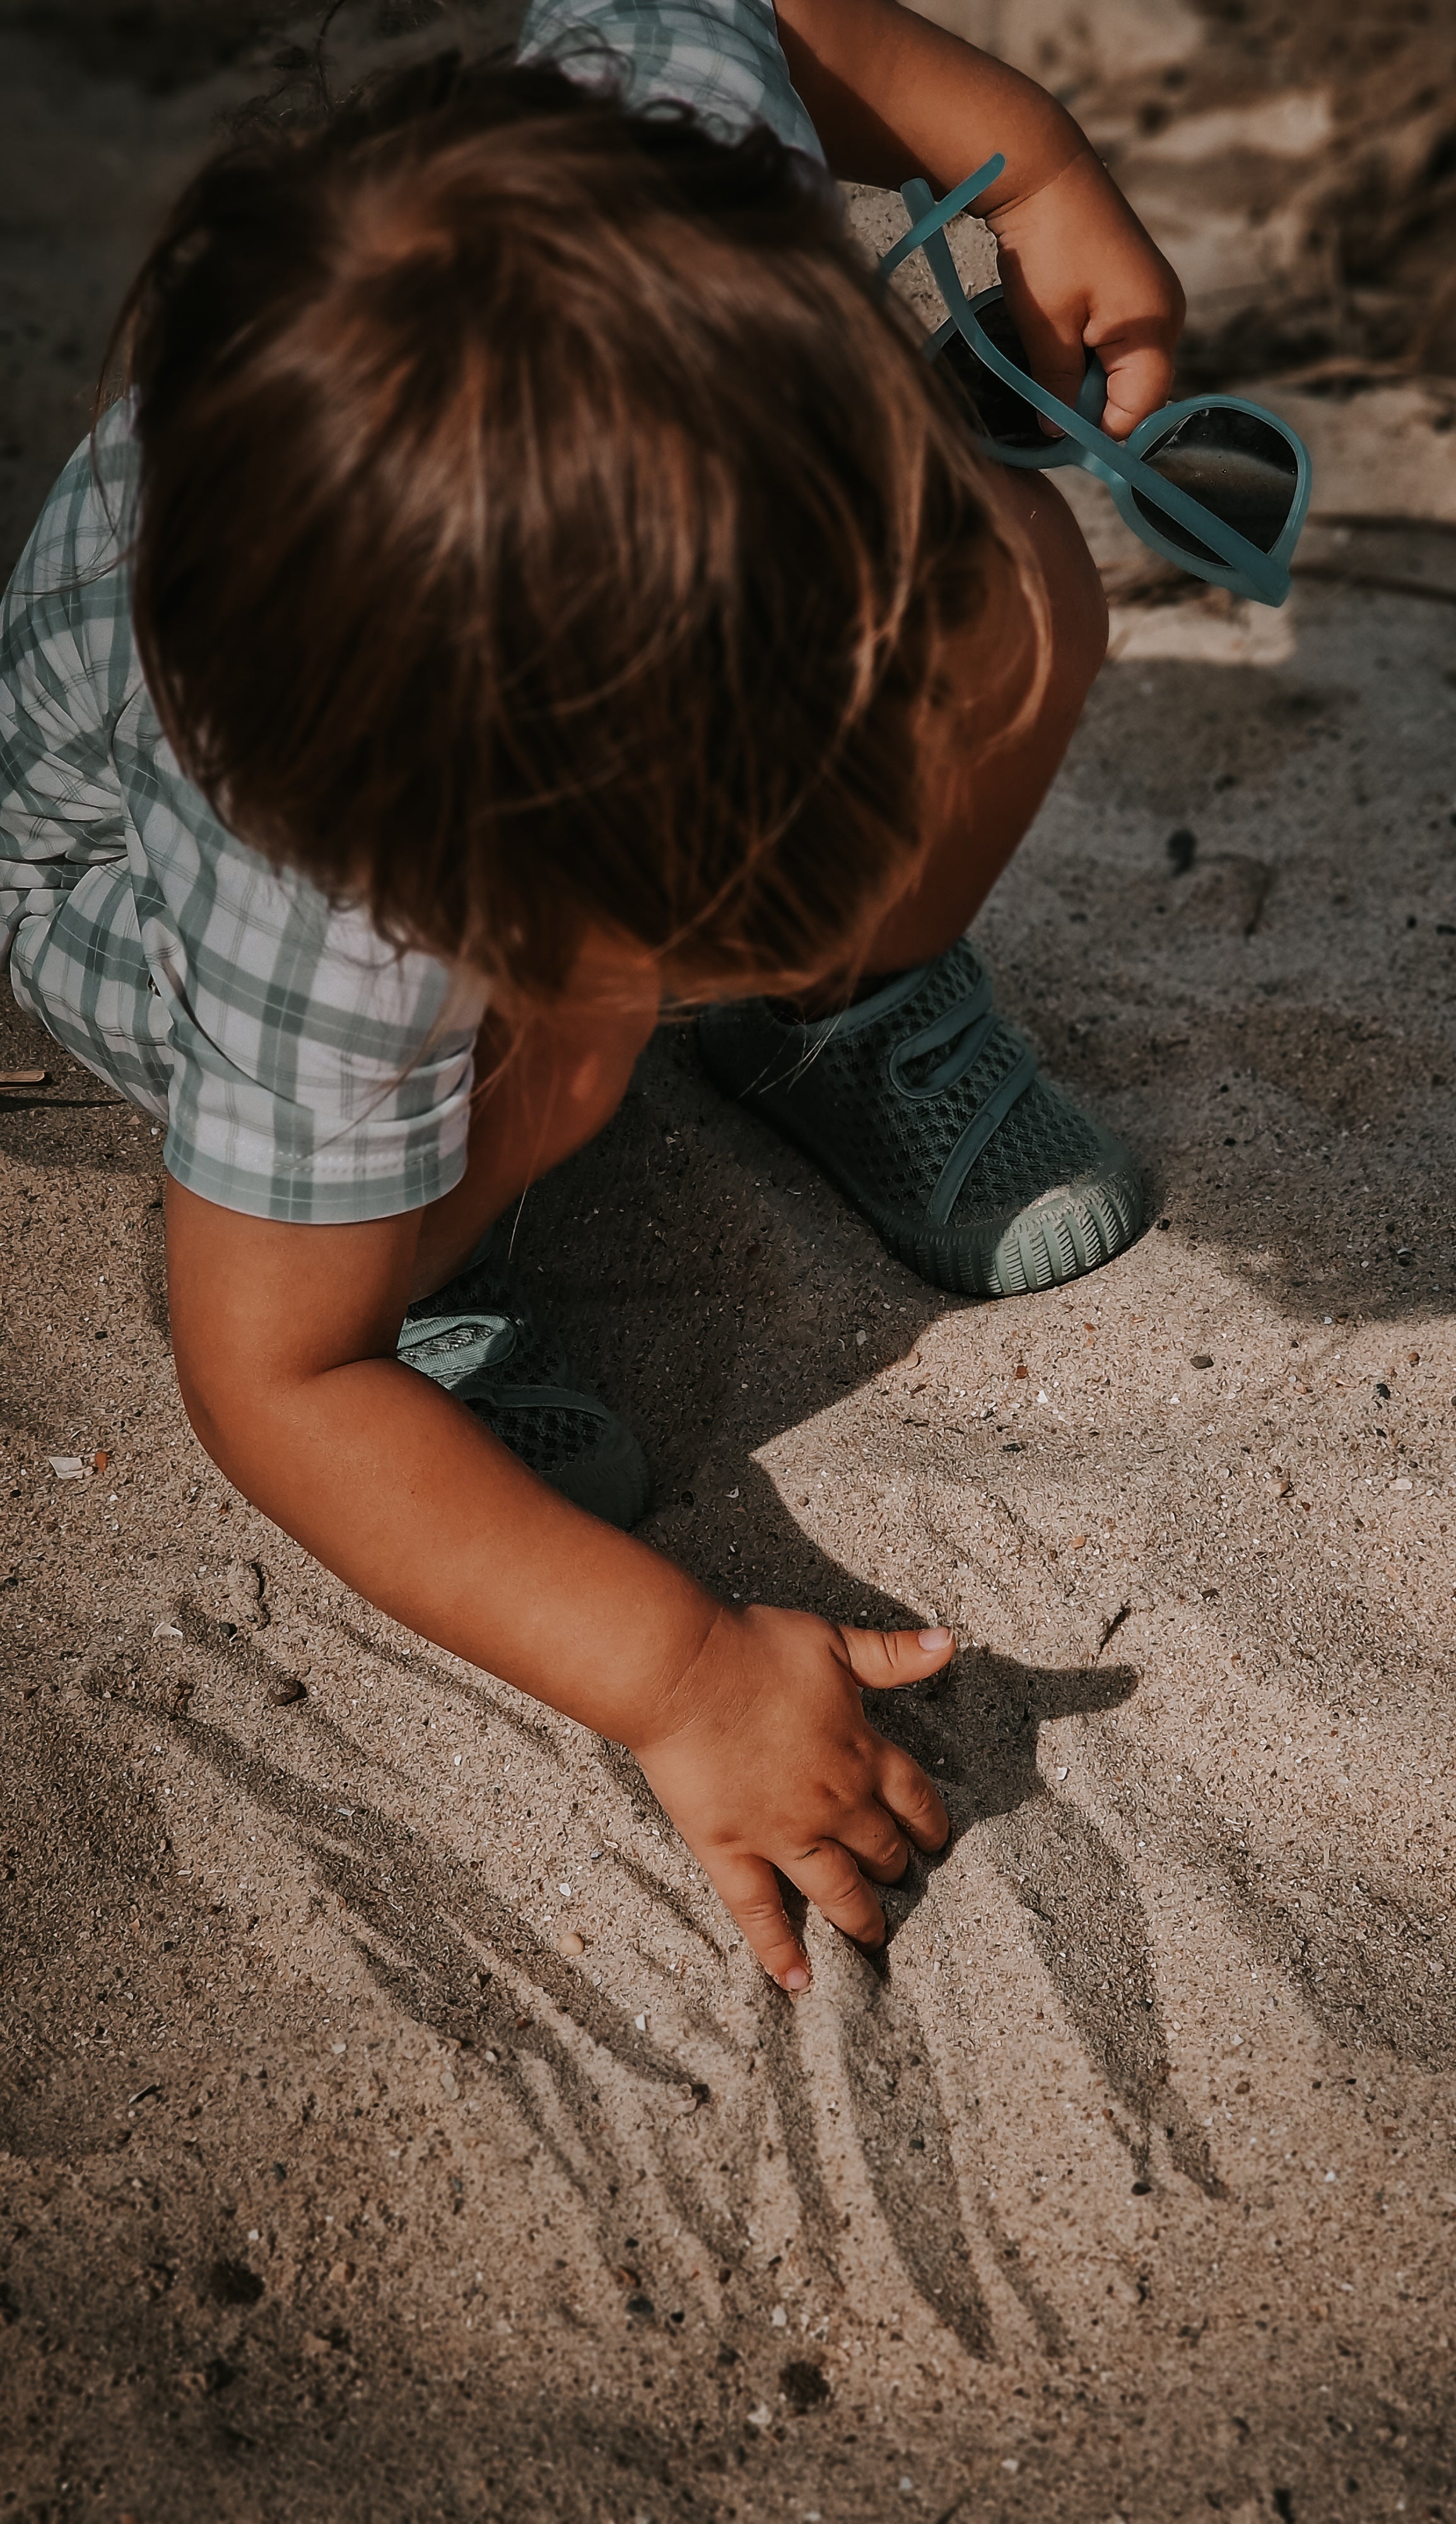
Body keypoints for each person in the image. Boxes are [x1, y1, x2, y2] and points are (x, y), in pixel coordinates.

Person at [0, 0, 1183, 1989]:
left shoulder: (674, 168)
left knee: (1025, 581)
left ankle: (850, 1021)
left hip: (535, 768)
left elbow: (757, 14)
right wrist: (682, 1670)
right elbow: (266, 1382)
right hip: (142, 890)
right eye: (749, 928)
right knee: (468, 1135)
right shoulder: (338, 904)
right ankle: (436, 1270)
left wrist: (1036, 166)